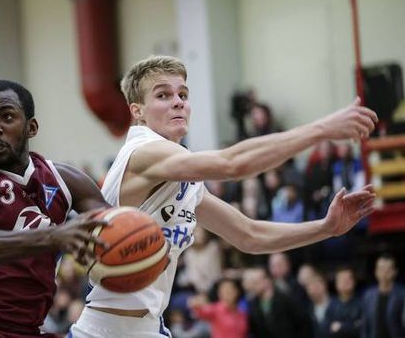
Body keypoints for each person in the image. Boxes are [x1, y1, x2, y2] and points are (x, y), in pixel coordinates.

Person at [70, 55, 378, 338]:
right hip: (103, 331)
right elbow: (233, 164)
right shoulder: (143, 152)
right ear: (137, 111)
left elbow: (249, 234)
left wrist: (325, 228)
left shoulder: (183, 177)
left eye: (183, 94)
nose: (178, 102)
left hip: (149, 328)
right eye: (163, 95)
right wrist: (320, 129)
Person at [0, 80, 109, 337]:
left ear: (31, 127)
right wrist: (53, 237)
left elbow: (117, 226)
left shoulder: (64, 180)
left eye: (6, 117)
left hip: (30, 329)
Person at [361, 254, 405, 338]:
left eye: (388, 269)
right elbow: (365, 326)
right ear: (376, 271)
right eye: (381, 269)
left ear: (395, 271)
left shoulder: (402, 294)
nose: (384, 272)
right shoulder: (368, 295)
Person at [323, 266, 361, 338]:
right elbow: (326, 329)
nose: (345, 282)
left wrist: (341, 327)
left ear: (354, 282)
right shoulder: (332, 305)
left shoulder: (361, 303)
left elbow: (361, 328)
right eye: (342, 280)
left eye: (348, 279)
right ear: (336, 284)